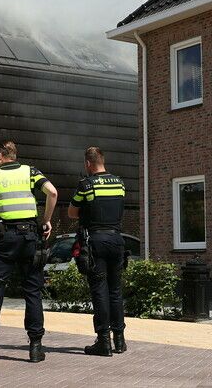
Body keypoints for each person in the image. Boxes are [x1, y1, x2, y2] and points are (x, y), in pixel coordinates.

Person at [0, 140, 57, 363]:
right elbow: (52, 192)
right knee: (33, 292)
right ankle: (36, 347)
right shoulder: (30, 172)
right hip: (30, 237)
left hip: (5, 238)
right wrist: (45, 222)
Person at [69, 147, 127, 356]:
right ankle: (119, 340)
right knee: (115, 290)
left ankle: (103, 341)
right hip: (117, 239)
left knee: (99, 290)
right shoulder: (120, 183)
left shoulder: (86, 185)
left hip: (96, 242)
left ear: (88, 164)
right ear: (103, 160)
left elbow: (72, 212)